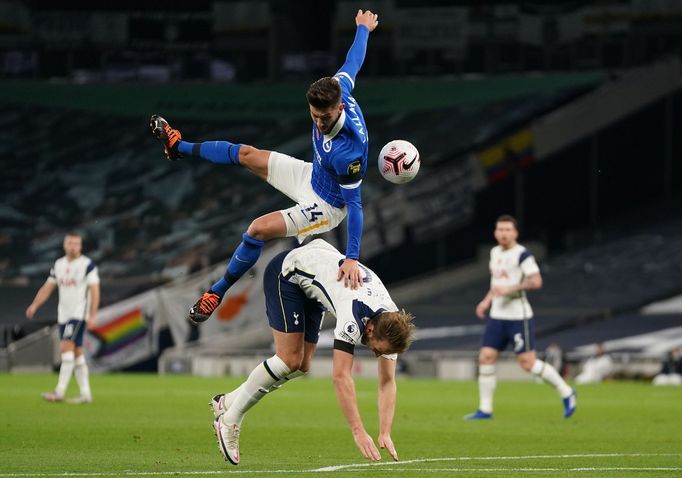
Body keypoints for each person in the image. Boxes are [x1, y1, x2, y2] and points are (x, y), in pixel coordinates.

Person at [149, 9, 379, 324]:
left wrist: (352, 258)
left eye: (324, 118)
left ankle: (216, 291)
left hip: (327, 204)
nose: (319, 122)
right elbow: (354, 61)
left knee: (257, 228)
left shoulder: (347, 152)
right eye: (314, 115)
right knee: (246, 153)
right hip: (311, 174)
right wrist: (363, 29)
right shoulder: (341, 88)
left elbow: (355, 205)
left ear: (339, 108)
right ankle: (178, 147)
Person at [206, 239, 415, 465]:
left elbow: (387, 381)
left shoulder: (390, 321)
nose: (376, 354)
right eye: (377, 349)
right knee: (289, 359)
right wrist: (358, 431)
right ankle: (230, 419)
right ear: (371, 328)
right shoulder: (353, 316)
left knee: (302, 365)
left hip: (314, 277)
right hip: (287, 273)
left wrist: (385, 431)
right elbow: (341, 376)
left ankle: (227, 402)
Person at [465, 215, 576, 420]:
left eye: (508, 229)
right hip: (497, 316)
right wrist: (486, 301)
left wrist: (511, 288)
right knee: (486, 357)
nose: (504, 233)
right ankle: (485, 409)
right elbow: (496, 282)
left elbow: (536, 281)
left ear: (515, 233)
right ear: (495, 232)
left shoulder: (522, 255)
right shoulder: (494, 252)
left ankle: (566, 392)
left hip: (518, 316)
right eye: (500, 229)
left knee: (527, 363)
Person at [25, 232, 100, 404]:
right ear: (64, 245)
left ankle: (59, 391)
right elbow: (47, 287)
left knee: (66, 347)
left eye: (76, 243)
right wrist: (35, 305)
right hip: (63, 315)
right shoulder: (58, 264)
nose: (73, 246)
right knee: (76, 352)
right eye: (70, 243)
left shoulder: (87, 265)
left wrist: (93, 315)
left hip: (78, 314)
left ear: (80, 246)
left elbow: (95, 290)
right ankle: (86, 393)